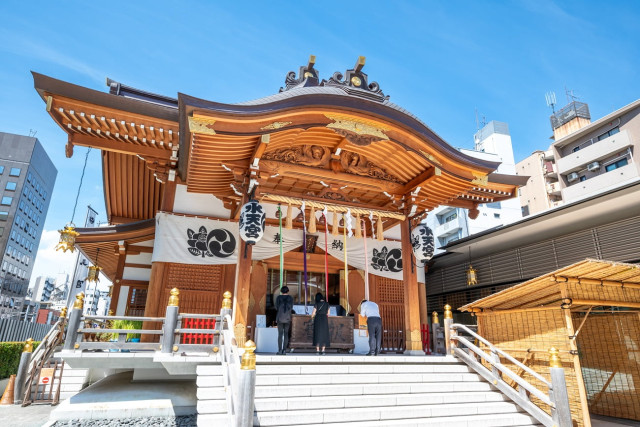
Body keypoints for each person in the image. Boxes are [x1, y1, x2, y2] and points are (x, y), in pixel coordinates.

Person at [275, 286, 293, 355]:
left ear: (281, 291)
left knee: (280, 334)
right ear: (288, 291)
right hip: (288, 318)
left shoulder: (278, 298)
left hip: (280, 317)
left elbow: (276, 307)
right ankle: (284, 350)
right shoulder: (290, 298)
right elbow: (291, 307)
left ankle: (279, 350)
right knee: (286, 334)